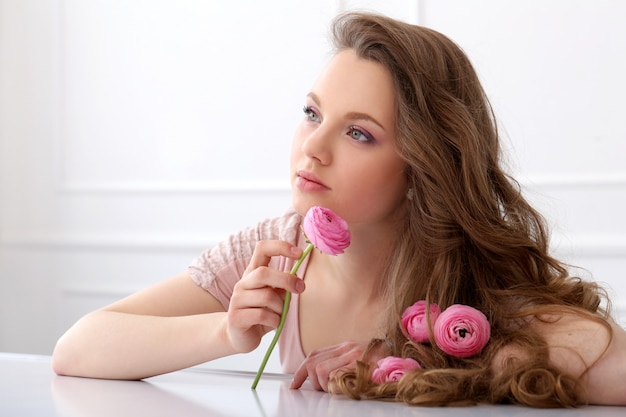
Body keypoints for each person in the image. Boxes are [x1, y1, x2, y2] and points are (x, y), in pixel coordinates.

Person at [52, 12, 626, 407]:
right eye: (311, 113)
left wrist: (423, 367)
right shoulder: (275, 248)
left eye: (358, 133)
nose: (313, 147)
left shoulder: (466, 283)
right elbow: (77, 348)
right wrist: (227, 335)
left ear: (424, 166)